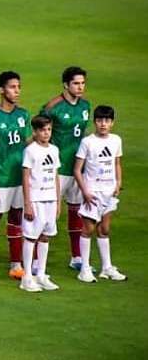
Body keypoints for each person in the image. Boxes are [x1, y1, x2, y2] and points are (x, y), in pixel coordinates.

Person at [41, 66, 92, 272]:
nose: (80, 87)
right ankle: (37, 260)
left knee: (76, 212)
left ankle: (76, 256)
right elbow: (39, 130)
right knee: (49, 213)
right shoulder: (53, 107)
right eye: (76, 83)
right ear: (66, 85)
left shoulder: (86, 105)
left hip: (78, 168)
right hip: (57, 169)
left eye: (82, 83)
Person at [0, 71, 31, 279]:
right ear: (1, 90)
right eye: (12, 87)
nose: (16, 91)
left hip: (19, 177)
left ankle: (16, 265)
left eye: (18, 87)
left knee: (17, 219)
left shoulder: (24, 115)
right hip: (0, 178)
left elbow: (28, 142)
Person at [74, 105, 125, 282]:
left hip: (109, 192)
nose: (103, 124)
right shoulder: (87, 142)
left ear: (112, 122)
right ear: (95, 122)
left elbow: (116, 163)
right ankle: (85, 269)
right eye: (100, 120)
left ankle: (106, 268)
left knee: (104, 229)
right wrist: (85, 191)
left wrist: (118, 182)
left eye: (107, 121)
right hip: (93, 192)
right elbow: (77, 170)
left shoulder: (116, 140)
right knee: (88, 229)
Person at [19, 116, 61, 292]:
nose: (46, 133)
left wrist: (58, 202)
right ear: (35, 132)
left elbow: (56, 176)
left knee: (45, 236)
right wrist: (27, 203)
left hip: (50, 199)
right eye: (43, 130)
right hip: (35, 199)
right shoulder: (31, 151)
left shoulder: (54, 150)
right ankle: (27, 277)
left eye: (49, 130)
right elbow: (26, 177)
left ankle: (41, 274)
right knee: (30, 237)